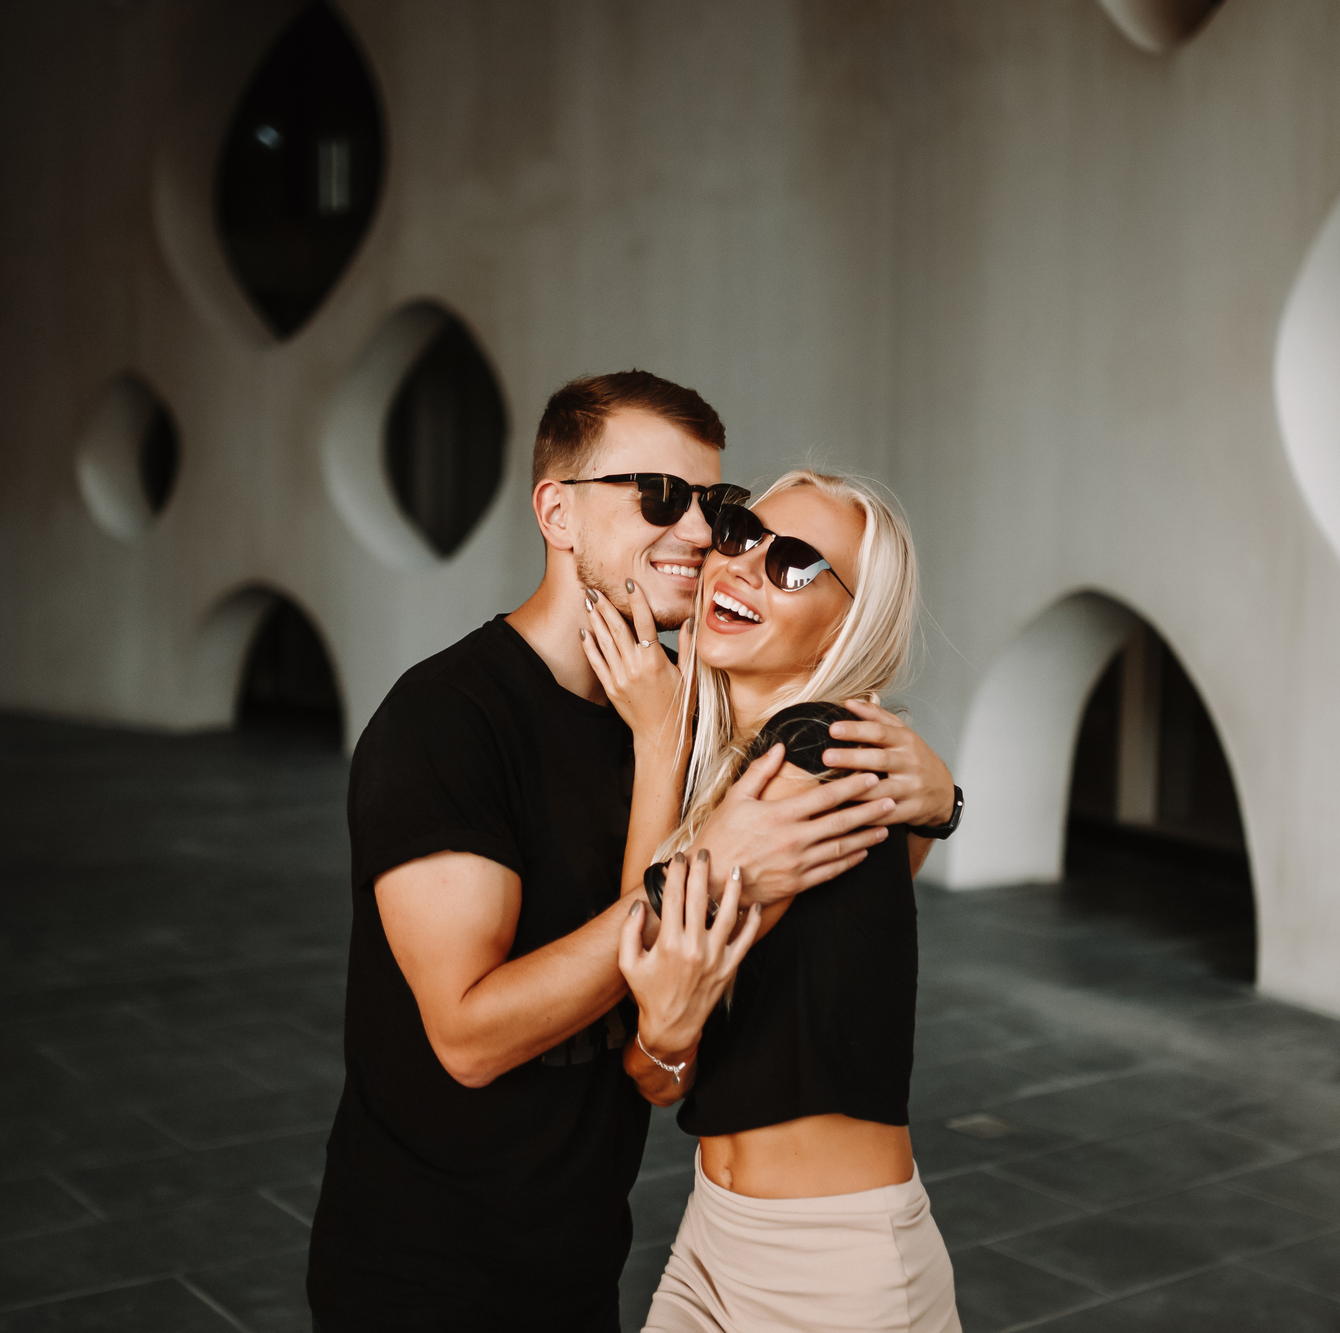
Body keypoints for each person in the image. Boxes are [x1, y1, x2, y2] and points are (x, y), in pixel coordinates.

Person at [305, 372, 959, 1332]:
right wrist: (698, 889)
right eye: (661, 497)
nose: (702, 535)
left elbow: (808, 933)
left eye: (715, 506)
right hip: (432, 1271)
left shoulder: (690, 730)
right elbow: (476, 1037)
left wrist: (937, 803)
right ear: (558, 513)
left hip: (601, 1259)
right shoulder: (447, 722)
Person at [580, 470, 963, 1331]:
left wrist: (654, 740)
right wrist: (664, 1038)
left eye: (793, 564)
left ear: (850, 620)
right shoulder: (748, 770)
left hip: (833, 1269)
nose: (745, 566)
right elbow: (654, 1056)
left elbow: (641, 945)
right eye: (742, 533)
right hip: (717, 1230)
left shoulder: (824, 749)